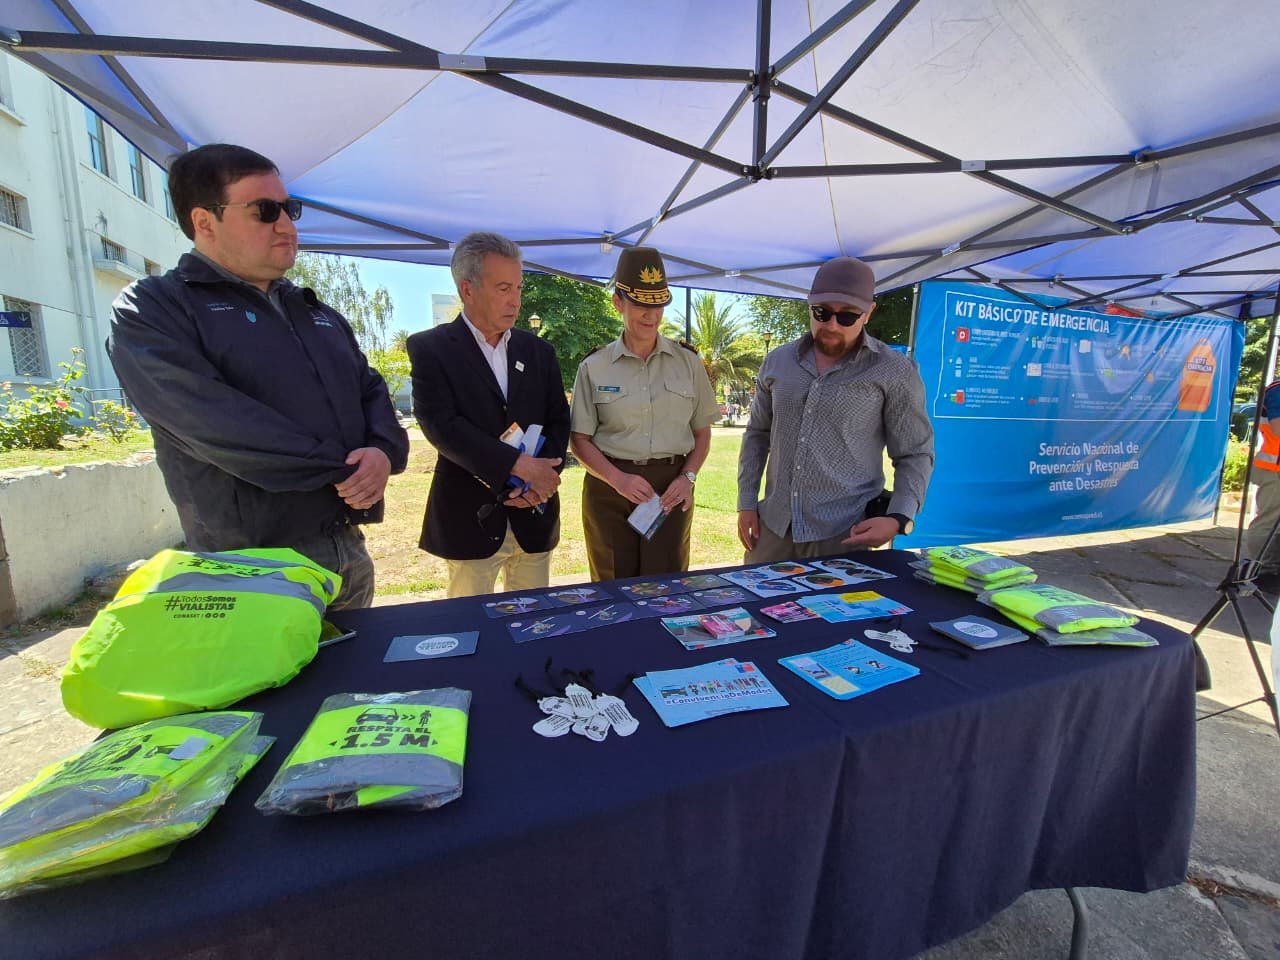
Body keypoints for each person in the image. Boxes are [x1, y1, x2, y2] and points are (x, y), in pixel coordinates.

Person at [108, 143, 409, 610]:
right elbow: (214, 423)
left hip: (345, 550)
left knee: (358, 661)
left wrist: (384, 452)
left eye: (290, 209)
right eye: (265, 211)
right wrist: (346, 468)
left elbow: (370, 390)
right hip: (250, 564)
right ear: (205, 221)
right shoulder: (155, 307)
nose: (286, 225)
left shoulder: (315, 311)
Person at [737, 256, 934, 563]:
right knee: (753, 596)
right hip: (773, 528)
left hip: (846, 535)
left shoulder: (894, 371)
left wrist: (898, 517)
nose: (831, 325)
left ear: (868, 313)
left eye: (847, 317)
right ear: (810, 304)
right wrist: (747, 502)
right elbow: (757, 435)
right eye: (822, 312)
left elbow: (915, 452)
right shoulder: (777, 361)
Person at [407, 232, 570, 598]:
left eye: (519, 288)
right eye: (503, 289)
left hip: (534, 514)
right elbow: (441, 426)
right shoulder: (431, 348)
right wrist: (516, 465)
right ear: (468, 289)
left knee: (535, 622)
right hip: (469, 519)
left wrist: (540, 480)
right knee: (470, 626)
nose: (516, 300)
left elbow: (559, 419)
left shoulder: (539, 352)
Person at [570, 247, 719, 580]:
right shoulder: (594, 366)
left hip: (670, 489)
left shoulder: (688, 362)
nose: (651, 316)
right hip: (609, 488)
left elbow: (702, 432)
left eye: (658, 305)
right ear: (618, 303)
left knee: (667, 589)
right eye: (641, 305)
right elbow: (579, 440)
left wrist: (688, 477)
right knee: (613, 587)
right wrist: (618, 479)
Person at [1245, 378, 1280, 593]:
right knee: (1268, 522)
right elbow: (1278, 427)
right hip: (1274, 469)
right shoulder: (1277, 390)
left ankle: (1271, 569)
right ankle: (1261, 571)